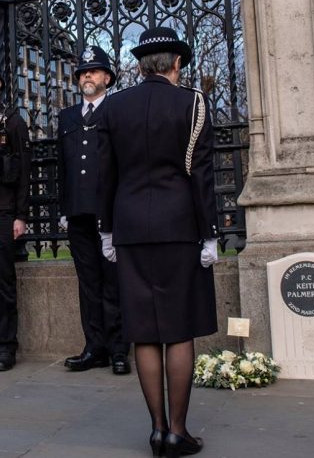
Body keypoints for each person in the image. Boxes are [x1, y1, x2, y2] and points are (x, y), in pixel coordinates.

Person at [98, 27, 220, 457]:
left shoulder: (114, 107)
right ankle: (178, 432)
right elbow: (201, 176)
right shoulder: (192, 104)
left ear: (139, 65)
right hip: (178, 226)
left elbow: (105, 174)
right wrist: (211, 235)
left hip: (130, 227)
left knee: (145, 332)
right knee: (179, 328)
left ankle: (155, 430)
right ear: (176, 64)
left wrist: (107, 229)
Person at [59, 46, 130, 375]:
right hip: (78, 213)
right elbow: (64, 167)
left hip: (110, 213)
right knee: (87, 283)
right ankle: (95, 347)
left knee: (113, 282)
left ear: (107, 78)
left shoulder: (117, 111)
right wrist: (63, 208)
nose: (86, 75)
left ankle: (118, 349)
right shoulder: (67, 117)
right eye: (82, 72)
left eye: (93, 71)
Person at [0, 74, 30, 372]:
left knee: (4, 284)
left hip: (3, 212)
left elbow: (23, 172)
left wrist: (21, 215)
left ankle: (6, 346)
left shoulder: (12, 123)